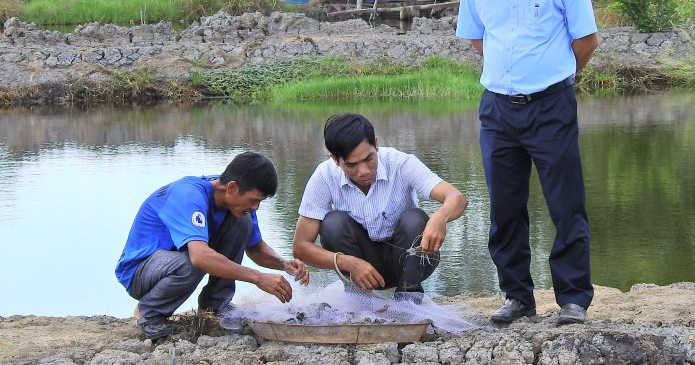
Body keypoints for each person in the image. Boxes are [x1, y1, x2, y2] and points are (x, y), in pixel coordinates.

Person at [456, 0, 599, 327]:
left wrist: (551, 76)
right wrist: (510, 74)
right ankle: (517, 296)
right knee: (504, 209)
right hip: (498, 110)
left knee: (565, 205)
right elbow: (477, 39)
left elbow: (586, 42)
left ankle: (573, 300)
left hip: (550, 107)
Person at [115, 151, 308, 340]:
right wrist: (258, 277)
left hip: (177, 261)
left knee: (243, 222)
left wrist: (285, 265)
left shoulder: (236, 203)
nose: (256, 207)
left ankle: (215, 306)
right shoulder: (189, 195)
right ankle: (148, 313)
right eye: (254, 200)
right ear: (232, 188)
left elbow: (256, 248)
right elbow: (199, 257)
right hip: (140, 271)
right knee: (193, 262)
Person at [292, 113, 467, 294]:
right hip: (360, 266)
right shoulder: (324, 176)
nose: (363, 172)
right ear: (335, 160)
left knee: (414, 219)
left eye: (369, 159)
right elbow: (300, 247)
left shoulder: (400, 163)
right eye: (352, 165)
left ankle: (409, 292)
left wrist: (440, 218)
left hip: (409, 259)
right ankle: (360, 296)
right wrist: (347, 262)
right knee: (332, 223)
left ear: (376, 144)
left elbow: (457, 198)